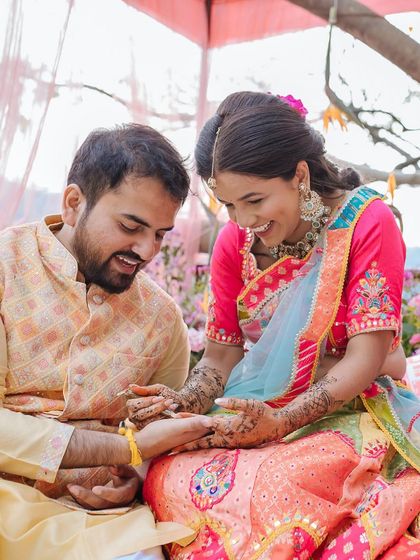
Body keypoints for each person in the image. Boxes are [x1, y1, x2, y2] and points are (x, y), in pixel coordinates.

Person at [129, 93, 420, 559]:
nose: (243, 220)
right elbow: (222, 355)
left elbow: (366, 357)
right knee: (167, 473)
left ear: (299, 175)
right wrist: (183, 402)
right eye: (228, 205)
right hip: (260, 408)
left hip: (350, 404)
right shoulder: (235, 242)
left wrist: (281, 423)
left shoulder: (369, 222)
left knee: (275, 487)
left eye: (254, 200)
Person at [0, 123, 216, 560]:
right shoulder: (5, 269)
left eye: (159, 234)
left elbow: (155, 431)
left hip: (97, 524)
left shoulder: (162, 319)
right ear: (75, 203)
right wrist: (127, 448)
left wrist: (134, 475)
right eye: (131, 225)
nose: (147, 250)